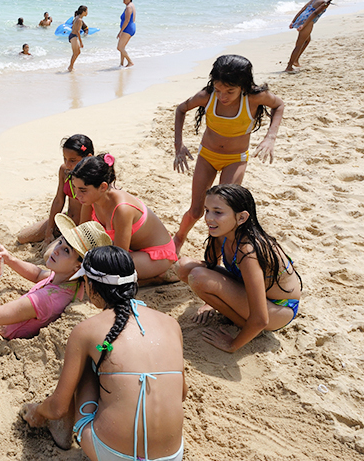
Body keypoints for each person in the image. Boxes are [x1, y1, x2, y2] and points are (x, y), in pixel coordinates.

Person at [21, 246, 186, 460]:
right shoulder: (171, 324)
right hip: (171, 455)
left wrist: (38, 411)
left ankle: (62, 430)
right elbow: (182, 394)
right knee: (106, 355)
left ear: (91, 286)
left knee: (92, 357)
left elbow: (57, 408)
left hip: (112, 453)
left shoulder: (87, 330)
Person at [172, 54, 285, 254]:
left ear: (243, 86)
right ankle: (179, 238)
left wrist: (270, 137)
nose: (222, 96)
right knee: (196, 211)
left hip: (235, 159)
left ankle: (215, 254)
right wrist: (178, 145)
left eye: (230, 91)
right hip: (207, 156)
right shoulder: (207, 96)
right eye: (218, 90)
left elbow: (279, 105)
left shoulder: (254, 97)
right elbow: (181, 109)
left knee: (222, 212)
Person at [178, 184, 302, 353]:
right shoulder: (221, 233)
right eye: (207, 210)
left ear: (242, 217)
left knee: (199, 277)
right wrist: (209, 303)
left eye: (218, 212)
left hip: (279, 308)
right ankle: (241, 319)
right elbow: (212, 265)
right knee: (184, 267)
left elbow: (261, 318)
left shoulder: (248, 251)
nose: (208, 218)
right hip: (252, 291)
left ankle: (247, 327)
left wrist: (232, 345)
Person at [0, 215, 111, 339]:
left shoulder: (48, 298)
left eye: (66, 250)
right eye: (60, 242)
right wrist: (10, 259)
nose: (56, 250)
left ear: (78, 267)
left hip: (5, 332)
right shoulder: (71, 281)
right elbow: (38, 275)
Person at [73, 154, 177, 283]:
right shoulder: (90, 199)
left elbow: (119, 259)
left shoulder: (122, 209)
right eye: (75, 188)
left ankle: (152, 279)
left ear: (103, 187)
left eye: (82, 190)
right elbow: (81, 235)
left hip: (154, 255)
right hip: (126, 249)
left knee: (105, 273)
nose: (77, 195)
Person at [18, 134, 94, 245]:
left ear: (88, 157)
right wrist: (49, 229)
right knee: (22, 237)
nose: (67, 164)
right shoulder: (64, 170)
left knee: (49, 253)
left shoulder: (93, 178)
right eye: (65, 159)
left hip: (82, 226)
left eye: (72, 160)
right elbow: (59, 200)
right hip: (66, 219)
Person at [286, 0, 339, 72]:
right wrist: (304, 25)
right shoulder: (326, 2)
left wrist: (294, 20)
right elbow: (315, 13)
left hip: (302, 18)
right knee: (299, 45)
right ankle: (289, 66)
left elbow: (303, 8)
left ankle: (295, 60)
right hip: (308, 21)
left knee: (307, 40)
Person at [118, 0, 136, 68]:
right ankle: (121, 64)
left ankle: (130, 62)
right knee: (122, 47)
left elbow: (127, 20)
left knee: (119, 47)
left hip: (127, 29)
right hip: (130, 28)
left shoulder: (128, 7)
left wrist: (121, 31)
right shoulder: (131, 5)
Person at [67, 6, 88, 72]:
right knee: (76, 53)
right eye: (86, 11)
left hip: (72, 35)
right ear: (83, 12)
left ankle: (71, 66)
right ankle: (70, 67)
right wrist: (81, 42)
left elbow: (73, 26)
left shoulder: (77, 17)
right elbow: (78, 32)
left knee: (77, 52)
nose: (87, 13)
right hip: (73, 36)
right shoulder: (80, 20)